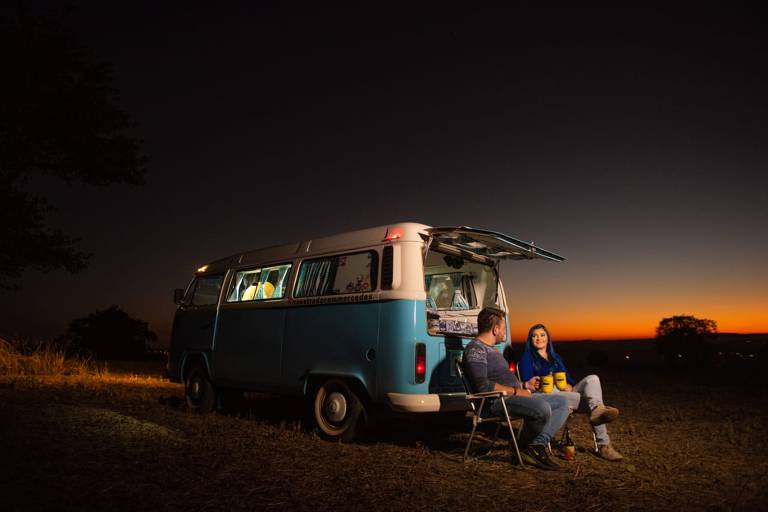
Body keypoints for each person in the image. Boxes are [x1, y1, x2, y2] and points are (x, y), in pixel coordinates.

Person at [463, 308, 570, 470]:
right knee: (542, 408)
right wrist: (516, 391)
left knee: (563, 402)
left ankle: (534, 446)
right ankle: (525, 447)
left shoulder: (492, 349)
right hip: (495, 401)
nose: (504, 333)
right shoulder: (476, 349)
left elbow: (503, 379)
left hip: (511, 396)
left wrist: (524, 385)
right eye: (504, 329)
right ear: (495, 329)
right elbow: (483, 386)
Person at [518, 323, 624, 461]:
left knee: (593, 379)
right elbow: (528, 382)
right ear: (530, 340)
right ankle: (604, 445)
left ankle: (597, 407)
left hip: (565, 391)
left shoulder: (556, 357)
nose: (539, 338)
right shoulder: (527, 357)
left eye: (542, 335)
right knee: (590, 403)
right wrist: (537, 381)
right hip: (546, 394)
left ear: (548, 338)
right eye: (535, 336)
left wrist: (569, 384)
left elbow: (567, 378)